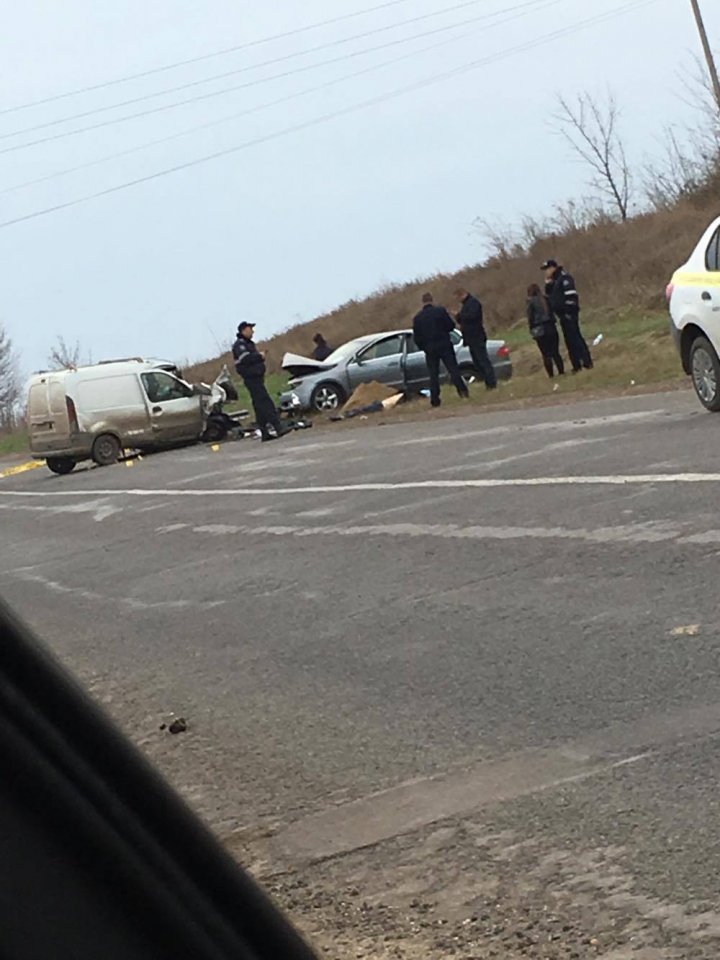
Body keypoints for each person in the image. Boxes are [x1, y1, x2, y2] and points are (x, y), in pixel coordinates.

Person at [412, 292, 469, 408]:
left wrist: (425, 347)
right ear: (432, 300)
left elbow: (417, 338)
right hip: (444, 345)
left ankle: (435, 400)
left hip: (430, 349)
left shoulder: (418, 318)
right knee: (453, 370)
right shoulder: (440, 311)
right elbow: (450, 326)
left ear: (423, 302)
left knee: (433, 375)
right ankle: (463, 392)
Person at [232, 322, 285, 442]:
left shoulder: (248, 344)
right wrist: (259, 356)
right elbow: (245, 358)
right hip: (251, 379)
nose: (253, 331)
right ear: (243, 330)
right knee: (265, 402)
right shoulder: (240, 345)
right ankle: (278, 426)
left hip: (256, 377)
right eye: (250, 329)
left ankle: (265, 432)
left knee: (258, 405)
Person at [542, 258, 592, 373]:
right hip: (561, 315)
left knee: (576, 338)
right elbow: (550, 298)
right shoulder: (553, 282)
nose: (546, 272)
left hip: (569, 313)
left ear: (553, 268)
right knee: (569, 340)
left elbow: (571, 296)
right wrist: (548, 286)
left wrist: (569, 311)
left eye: (547, 269)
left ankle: (586, 362)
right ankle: (576, 365)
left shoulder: (564, 278)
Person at [454, 287, 497, 389]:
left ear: (462, 294)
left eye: (458, 297)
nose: (458, 300)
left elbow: (473, 317)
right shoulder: (465, 305)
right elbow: (463, 320)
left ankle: (491, 382)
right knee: (477, 362)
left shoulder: (473, 303)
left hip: (477, 336)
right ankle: (487, 381)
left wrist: (461, 316)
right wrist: (458, 317)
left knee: (483, 360)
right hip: (470, 338)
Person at [526, 283, 564, 378]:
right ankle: (561, 372)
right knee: (556, 352)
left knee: (546, 354)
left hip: (540, 330)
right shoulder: (546, 299)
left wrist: (531, 329)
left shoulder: (530, 302)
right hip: (551, 327)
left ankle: (551, 375)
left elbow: (530, 317)